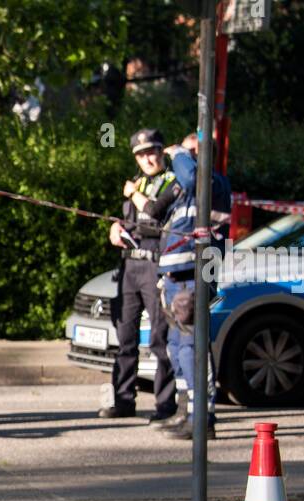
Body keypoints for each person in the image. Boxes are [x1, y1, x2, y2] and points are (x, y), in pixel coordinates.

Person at [157, 131, 232, 440]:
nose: (183, 159)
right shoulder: (189, 187)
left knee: (192, 348)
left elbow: (189, 178)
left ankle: (203, 417)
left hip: (195, 275)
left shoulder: (210, 182)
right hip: (176, 278)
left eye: (190, 153)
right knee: (177, 347)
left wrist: (177, 154)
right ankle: (186, 410)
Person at [100, 128, 178, 424]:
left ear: (161, 153)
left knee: (160, 339)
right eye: (141, 154)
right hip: (130, 266)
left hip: (155, 265)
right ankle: (123, 400)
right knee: (125, 337)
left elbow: (156, 215)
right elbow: (130, 219)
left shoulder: (171, 182)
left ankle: (165, 405)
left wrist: (134, 194)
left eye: (153, 152)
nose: (148, 159)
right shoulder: (139, 183)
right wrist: (115, 227)